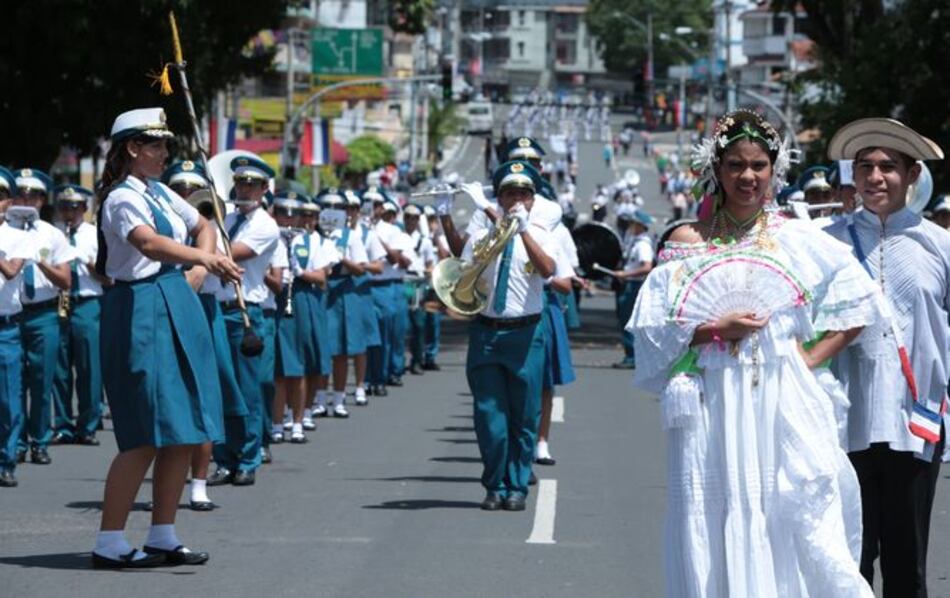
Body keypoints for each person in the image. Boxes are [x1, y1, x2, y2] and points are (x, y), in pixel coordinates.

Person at [629, 109, 876, 596]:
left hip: (780, 394)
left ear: (774, 170)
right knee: (715, 509)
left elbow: (860, 307)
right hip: (711, 398)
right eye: (736, 165)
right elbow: (655, 333)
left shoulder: (798, 239)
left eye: (759, 165)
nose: (748, 176)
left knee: (785, 507)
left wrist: (805, 360)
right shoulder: (687, 241)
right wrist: (714, 329)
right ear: (715, 170)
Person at [93, 107, 241, 567]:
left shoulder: (158, 190)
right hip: (139, 307)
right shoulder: (122, 197)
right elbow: (148, 244)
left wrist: (200, 264)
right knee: (144, 431)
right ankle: (110, 540)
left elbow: (205, 222)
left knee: (183, 427)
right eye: (155, 145)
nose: (163, 154)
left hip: (173, 298)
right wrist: (206, 260)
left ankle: (162, 532)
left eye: (165, 145)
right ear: (132, 149)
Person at [822, 117, 950, 597]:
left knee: (907, 564)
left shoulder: (939, 246)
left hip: (914, 427)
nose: (876, 177)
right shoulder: (827, 244)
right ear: (852, 176)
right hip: (842, 422)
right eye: (865, 166)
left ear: (913, 175)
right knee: (847, 561)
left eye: (888, 167)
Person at [456, 160, 557, 512]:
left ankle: (517, 485)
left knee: (524, 416)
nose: (516, 199)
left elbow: (548, 270)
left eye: (523, 194)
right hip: (486, 333)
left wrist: (523, 230)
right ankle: (494, 483)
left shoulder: (541, 233)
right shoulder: (483, 237)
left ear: (531, 200)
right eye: (509, 194)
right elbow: (464, 278)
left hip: (526, 335)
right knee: (489, 417)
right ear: (498, 199)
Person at [161, 160, 245, 510]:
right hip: (166, 306)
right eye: (179, 189)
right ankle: (167, 485)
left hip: (204, 311)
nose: (186, 195)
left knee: (207, 395)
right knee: (169, 397)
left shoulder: (214, 230)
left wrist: (211, 245)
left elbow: (227, 269)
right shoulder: (161, 226)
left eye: (192, 190)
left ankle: (199, 482)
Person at [208, 156, 279, 488]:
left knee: (247, 391)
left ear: (265, 189)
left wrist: (205, 237)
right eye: (240, 183)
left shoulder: (265, 225)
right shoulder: (224, 219)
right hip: (217, 309)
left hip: (244, 312)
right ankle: (224, 459)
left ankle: (248, 459)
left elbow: (229, 254)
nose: (245, 189)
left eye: (252, 184)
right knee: (220, 389)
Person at [12, 168, 73, 466]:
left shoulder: (52, 234)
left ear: (41, 199)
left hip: (44, 315)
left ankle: (39, 441)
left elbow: (66, 281)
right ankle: (17, 442)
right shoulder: (3, 231)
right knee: (13, 384)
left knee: (42, 381)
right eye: (21, 193)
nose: (27, 199)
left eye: (34, 194)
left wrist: (41, 262)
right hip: (12, 314)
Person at [51, 185, 107, 447]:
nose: (69, 212)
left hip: (87, 301)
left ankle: (88, 424)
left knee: (89, 367)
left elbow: (109, 276)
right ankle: (63, 424)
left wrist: (86, 261)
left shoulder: (95, 235)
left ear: (84, 209)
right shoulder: (52, 234)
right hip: (59, 301)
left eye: (74, 207)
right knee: (60, 367)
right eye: (64, 207)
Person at [0, 167, 30, 487]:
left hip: (5, 328)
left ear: (9, 202)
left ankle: (6, 460)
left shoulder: (20, 237)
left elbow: (10, 271)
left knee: (8, 399)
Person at [612, 206, 654, 369]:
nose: (630, 226)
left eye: (633, 223)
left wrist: (626, 274)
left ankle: (632, 356)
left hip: (634, 285)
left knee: (628, 320)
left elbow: (647, 267)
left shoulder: (643, 244)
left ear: (640, 225)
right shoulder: (635, 241)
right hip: (630, 283)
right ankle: (631, 354)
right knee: (625, 319)